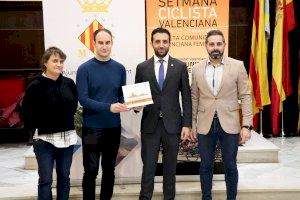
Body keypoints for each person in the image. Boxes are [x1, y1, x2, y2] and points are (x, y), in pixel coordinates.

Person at [190, 30, 252, 200]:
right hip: (205, 124)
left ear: (224, 45)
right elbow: (194, 98)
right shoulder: (196, 69)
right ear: (206, 46)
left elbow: (245, 95)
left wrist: (246, 125)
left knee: (230, 166)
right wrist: (192, 125)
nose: (215, 47)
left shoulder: (238, 66)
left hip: (230, 123)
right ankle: (206, 197)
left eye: (219, 44)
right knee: (205, 166)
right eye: (211, 44)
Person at [135, 27, 192, 200]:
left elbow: (187, 98)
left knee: (170, 168)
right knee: (149, 167)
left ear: (169, 43)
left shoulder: (180, 66)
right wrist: (136, 106)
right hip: (150, 125)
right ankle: (145, 198)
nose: (161, 45)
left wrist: (187, 124)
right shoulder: (142, 67)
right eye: (157, 41)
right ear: (151, 43)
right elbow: (137, 97)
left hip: (173, 125)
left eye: (164, 41)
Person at [76, 28, 129, 200]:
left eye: (107, 42)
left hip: (113, 128)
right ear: (94, 44)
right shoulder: (84, 69)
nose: (104, 46)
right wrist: (109, 107)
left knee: (109, 170)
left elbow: (121, 96)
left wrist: (132, 103)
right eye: (101, 43)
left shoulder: (120, 69)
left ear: (112, 43)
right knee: (90, 170)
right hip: (91, 129)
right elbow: (83, 99)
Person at [21, 47, 78, 200]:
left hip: (67, 139)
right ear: (45, 63)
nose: (59, 64)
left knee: (64, 178)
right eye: (55, 61)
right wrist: (38, 129)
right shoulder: (35, 85)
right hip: (44, 141)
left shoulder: (69, 83)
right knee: (46, 180)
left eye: (61, 61)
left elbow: (73, 106)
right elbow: (26, 113)